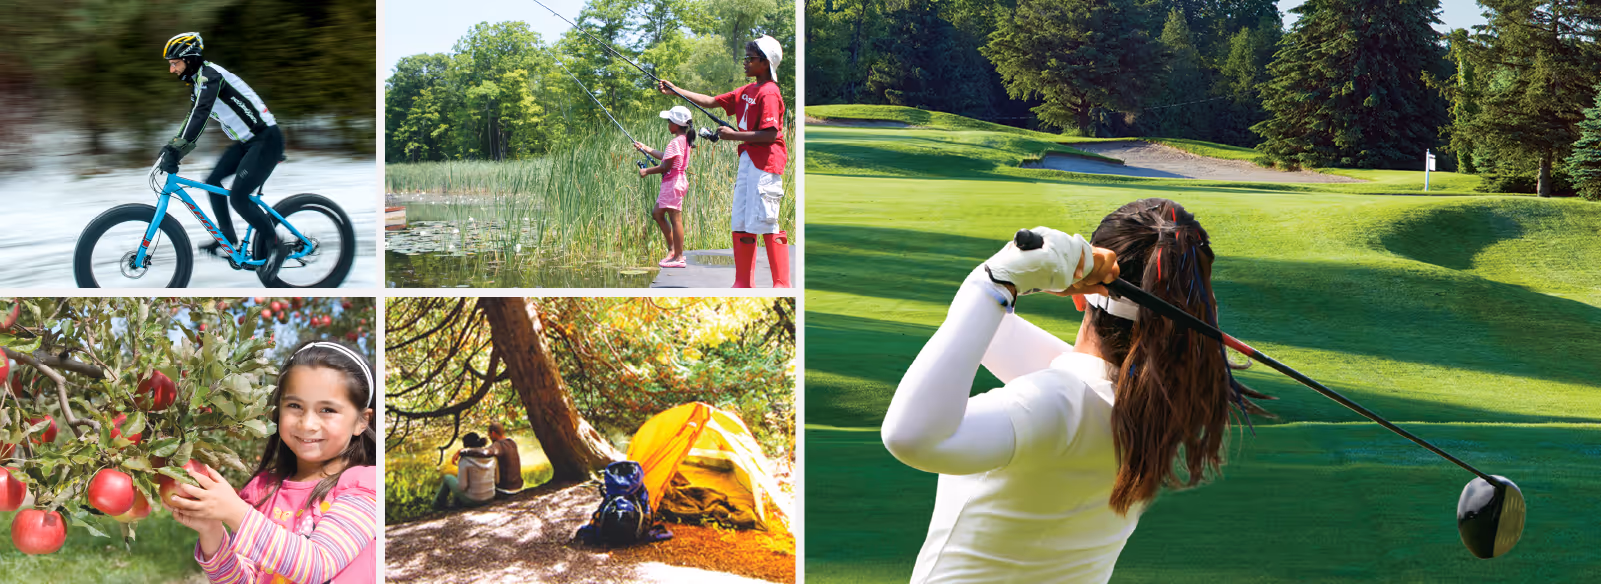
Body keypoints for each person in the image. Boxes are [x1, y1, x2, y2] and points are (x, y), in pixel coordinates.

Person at [881, 199, 1264, 583]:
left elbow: (911, 436)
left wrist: (997, 281)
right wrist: (999, 285)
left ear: (1080, 295)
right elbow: (988, 334)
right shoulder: (1156, 403)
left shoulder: (1058, 406)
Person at [167, 341, 377, 584]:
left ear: (362, 420)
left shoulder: (362, 487)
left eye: (327, 410)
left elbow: (318, 564)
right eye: (295, 406)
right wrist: (212, 529)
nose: (307, 424)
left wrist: (235, 512)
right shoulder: (261, 491)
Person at [655, 35, 789, 288]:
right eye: (746, 57)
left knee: (767, 221)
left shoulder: (770, 93)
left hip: (767, 163)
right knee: (740, 220)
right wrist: (676, 90)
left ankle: (781, 284)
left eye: (750, 58)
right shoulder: (747, 90)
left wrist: (733, 136)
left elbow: (772, 134)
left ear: (765, 62)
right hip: (748, 159)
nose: (745, 62)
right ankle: (742, 283)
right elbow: (712, 101)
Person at [158, 32, 290, 281]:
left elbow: (201, 114)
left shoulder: (210, 77)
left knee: (239, 198)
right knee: (212, 180)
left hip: (265, 140)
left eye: (175, 63)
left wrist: (177, 150)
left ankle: (276, 245)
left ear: (190, 58)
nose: (172, 70)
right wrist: (173, 146)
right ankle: (228, 237)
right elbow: (192, 116)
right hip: (248, 142)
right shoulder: (200, 81)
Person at [634, 105, 698, 269]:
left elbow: (665, 167)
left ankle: (678, 257)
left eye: (669, 121)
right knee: (657, 213)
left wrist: (646, 171)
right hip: (676, 181)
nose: (667, 124)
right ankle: (673, 250)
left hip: (673, 182)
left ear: (676, 124)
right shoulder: (683, 140)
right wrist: (645, 148)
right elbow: (665, 157)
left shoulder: (675, 142)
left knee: (676, 219)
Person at [435, 433, 497, 509]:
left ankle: (437, 505)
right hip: (490, 496)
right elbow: (497, 480)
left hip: (473, 500)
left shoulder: (465, 460)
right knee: (459, 479)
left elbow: (462, 487)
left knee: (448, 478)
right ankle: (455, 503)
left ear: (466, 446)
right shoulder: (491, 457)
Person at [481, 421, 525, 498]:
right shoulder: (512, 442)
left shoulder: (498, 445)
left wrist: (463, 451)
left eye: (489, 435)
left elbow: (485, 453)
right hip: (518, 487)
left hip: (505, 490)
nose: (489, 437)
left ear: (493, 433)